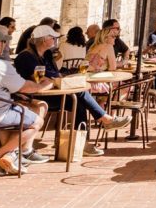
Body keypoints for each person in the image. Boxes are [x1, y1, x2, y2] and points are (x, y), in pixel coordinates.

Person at [13, 25, 129, 155]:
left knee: (78, 102)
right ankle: (105, 119)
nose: (56, 41)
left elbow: (54, 74)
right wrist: (54, 78)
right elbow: (40, 79)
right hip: (34, 95)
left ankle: (82, 142)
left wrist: (55, 78)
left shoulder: (46, 54)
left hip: (50, 92)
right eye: (53, 38)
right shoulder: (26, 57)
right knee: (78, 93)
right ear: (44, 40)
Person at [0, 25, 52, 175]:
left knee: (22, 109)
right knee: (36, 121)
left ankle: (11, 155)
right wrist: (42, 85)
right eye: (4, 43)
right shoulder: (1, 66)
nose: (5, 47)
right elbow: (24, 87)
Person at [86, 25, 120, 95]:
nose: (115, 38)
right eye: (113, 36)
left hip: (86, 82)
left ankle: (101, 103)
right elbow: (113, 68)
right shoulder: (108, 46)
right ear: (105, 38)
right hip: (96, 84)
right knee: (126, 88)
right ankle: (105, 105)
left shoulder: (93, 47)